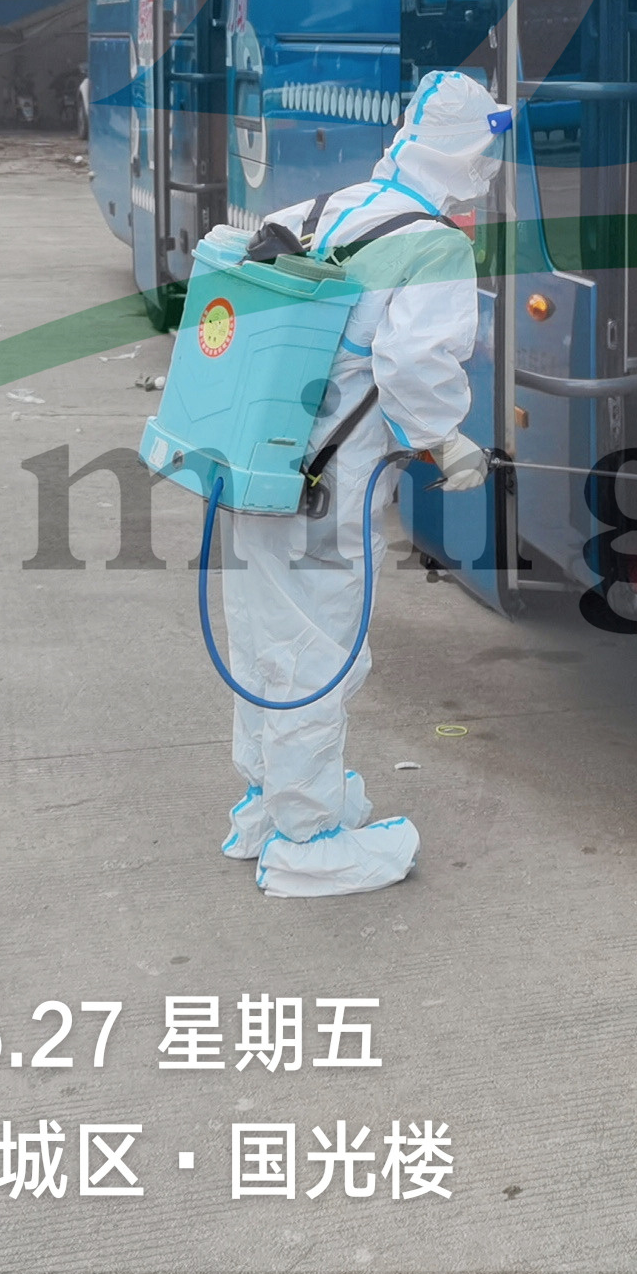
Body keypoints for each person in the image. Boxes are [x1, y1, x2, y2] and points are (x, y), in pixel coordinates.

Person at [218, 70, 501, 897]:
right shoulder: (434, 243)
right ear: (470, 154)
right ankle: (307, 841)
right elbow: (412, 364)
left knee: (266, 636)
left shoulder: (327, 207)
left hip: (257, 460)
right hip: (327, 484)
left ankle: (267, 804)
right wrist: (445, 443)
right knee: (317, 651)